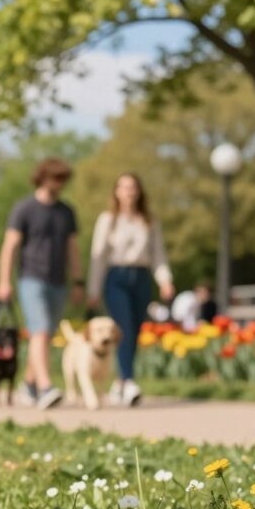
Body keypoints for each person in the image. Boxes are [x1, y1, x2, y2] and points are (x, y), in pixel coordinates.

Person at [0, 157, 83, 410]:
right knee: (41, 330)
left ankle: (29, 385)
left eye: (63, 180)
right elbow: (10, 246)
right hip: (31, 278)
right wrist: (4, 281)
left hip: (58, 280)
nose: (60, 184)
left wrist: (78, 281)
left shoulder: (66, 212)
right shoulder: (24, 208)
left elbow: (73, 249)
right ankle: (46, 388)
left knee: (44, 335)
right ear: (43, 177)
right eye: (56, 178)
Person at [86, 173, 173, 406]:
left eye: (132, 187)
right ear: (116, 192)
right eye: (123, 187)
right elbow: (98, 256)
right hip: (116, 276)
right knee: (122, 326)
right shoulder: (108, 219)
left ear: (139, 191)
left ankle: (119, 383)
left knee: (134, 330)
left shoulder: (149, 221)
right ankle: (129, 380)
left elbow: (158, 254)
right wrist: (93, 289)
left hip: (141, 276)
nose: (128, 191)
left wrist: (164, 280)